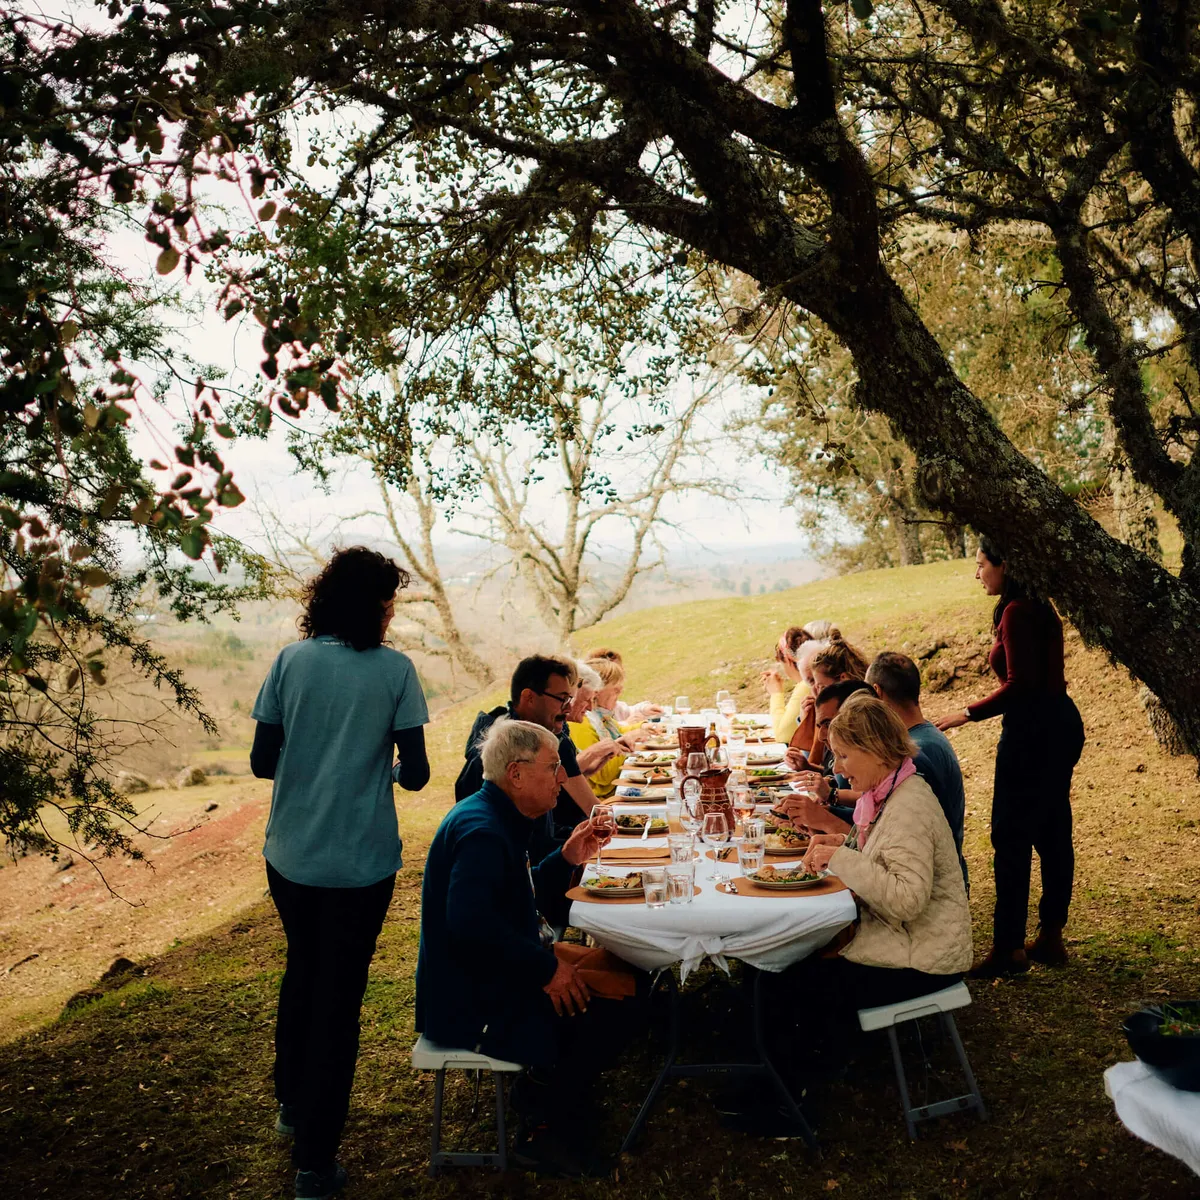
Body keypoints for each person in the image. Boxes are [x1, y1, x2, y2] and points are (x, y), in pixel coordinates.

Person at [250, 546, 430, 1200]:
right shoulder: (395, 672)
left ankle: (292, 1104)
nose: (390, 616)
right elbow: (416, 773)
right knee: (338, 1002)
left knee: (302, 970)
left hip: (291, 857)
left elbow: (263, 761)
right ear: (372, 607)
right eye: (388, 604)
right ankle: (314, 1164)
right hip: (359, 863)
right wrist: (369, 765)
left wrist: (317, 757)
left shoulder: (290, 662)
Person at [418, 718, 639, 1177]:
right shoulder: (481, 830)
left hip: (494, 968)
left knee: (626, 976)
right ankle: (542, 1126)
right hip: (469, 995)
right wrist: (546, 971)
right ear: (516, 775)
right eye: (553, 766)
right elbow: (471, 924)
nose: (562, 776)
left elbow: (514, 893)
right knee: (606, 1011)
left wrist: (566, 857)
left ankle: (552, 1091)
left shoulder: (497, 815)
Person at [936, 538, 1084, 977]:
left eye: (982, 564)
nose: (977, 573)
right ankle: (1051, 936)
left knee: (1011, 837)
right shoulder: (1036, 605)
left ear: (1005, 564)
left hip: (1032, 735)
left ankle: (1009, 948)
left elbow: (1021, 684)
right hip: (1058, 725)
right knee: (1054, 830)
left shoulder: (1019, 610)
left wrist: (966, 713)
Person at [793, 694, 972, 1045]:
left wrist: (841, 860)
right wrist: (837, 846)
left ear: (875, 751)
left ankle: (793, 1085)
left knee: (799, 984)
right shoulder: (890, 792)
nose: (837, 770)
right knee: (792, 974)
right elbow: (881, 858)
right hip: (908, 943)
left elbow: (907, 900)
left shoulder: (909, 805)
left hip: (925, 960)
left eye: (843, 756)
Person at [454, 655, 598, 842]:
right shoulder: (495, 757)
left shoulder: (545, 737)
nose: (569, 709)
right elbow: (499, 844)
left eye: (570, 700)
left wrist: (573, 841)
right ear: (529, 697)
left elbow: (540, 834)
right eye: (562, 700)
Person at [866, 652, 969, 889]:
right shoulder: (925, 736)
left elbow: (906, 828)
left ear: (877, 692)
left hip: (935, 886)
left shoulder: (916, 753)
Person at [778, 678, 874, 832]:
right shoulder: (862, 758)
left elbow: (870, 838)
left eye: (829, 724)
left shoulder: (898, 772)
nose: (821, 736)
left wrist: (827, 810)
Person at [568, 654, 646, 799]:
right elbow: (602, 777)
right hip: (605, 796)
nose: (620, 694)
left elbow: (619, 732)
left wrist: (641, 728)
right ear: (597, 691)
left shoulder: (600, 717)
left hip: (605, 796)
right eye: (616, 689)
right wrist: (619, 748)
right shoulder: (580, 721)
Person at [584, 646, 663, 723]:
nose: (620, 688)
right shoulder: (588, 714)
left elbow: (627, 711)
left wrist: (645, 709)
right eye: (614, 680)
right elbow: (605, 731)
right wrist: (626, 724)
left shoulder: (614, 707)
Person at [761, 626, 812, 743]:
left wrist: (776, 694)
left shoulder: (806, 685)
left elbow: (782, 735)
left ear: (788, 660)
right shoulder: (807, 683)